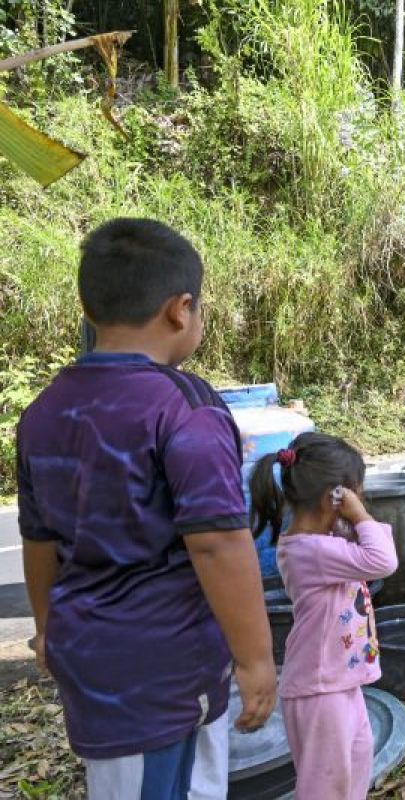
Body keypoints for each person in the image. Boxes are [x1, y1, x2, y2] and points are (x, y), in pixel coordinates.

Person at [17, 218, 275, 799]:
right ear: (180, 309)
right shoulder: (184, 406)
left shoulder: (43, 410)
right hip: (164, 674)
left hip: (90, 660)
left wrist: (46, 629)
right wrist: (256, 660)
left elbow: (38, 537)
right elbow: (217, 540)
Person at [249, 433, 397, 800]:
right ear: (334, 497)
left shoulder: (323, 545)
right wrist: (359, 516)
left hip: (338, 682)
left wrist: (347, 523)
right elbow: (384, 561)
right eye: (355, 495)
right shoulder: (311, 551)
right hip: (319, 690)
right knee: (325, 787)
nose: (359, 503)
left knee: (356, 767)